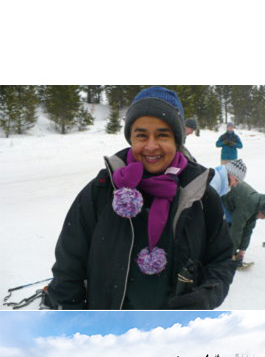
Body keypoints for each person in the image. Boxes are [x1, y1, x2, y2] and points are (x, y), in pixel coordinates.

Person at [45, 86, 236, 310]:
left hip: (174, 331)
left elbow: (222, 258)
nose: (151, 146)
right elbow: (69, 261)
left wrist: (208, 295)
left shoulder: (200, 195)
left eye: (162, 135)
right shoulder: (102, 189)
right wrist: (74, 315)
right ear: (131, 138)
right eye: (141, 135)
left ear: (177, 140)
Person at [223, 178, 265, 267]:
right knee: (227, 225)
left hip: (236, 203)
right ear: (262, 211)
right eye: (263, 217)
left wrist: (242, 249)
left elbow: (248, 229)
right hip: (223, 198)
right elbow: (236, 230)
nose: (262, 219)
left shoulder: (257, 207)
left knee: (238, 227)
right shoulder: (248, 206)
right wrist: (231, 254)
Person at [209, 159, 247, 224]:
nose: (235, 185)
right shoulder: (215, 181)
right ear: (231, 174)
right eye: (236, 180)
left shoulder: (220, 181)